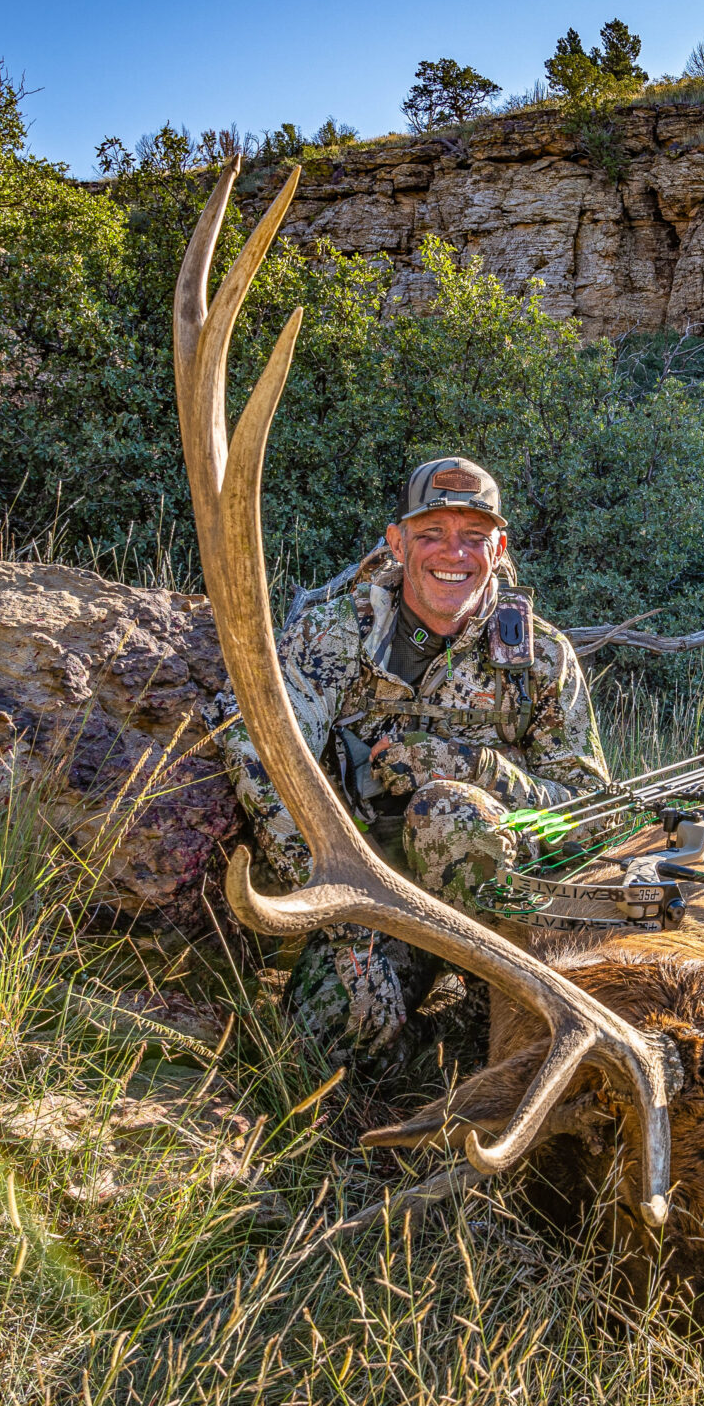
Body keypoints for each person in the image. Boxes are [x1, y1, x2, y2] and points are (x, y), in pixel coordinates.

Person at [216, 456, 609, 1072]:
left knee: (447, 815)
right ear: (398, 542)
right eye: (431, 534)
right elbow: (254, 742)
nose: (453, 554)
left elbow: (591, 811)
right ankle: (440, 1046)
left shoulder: (541, 659)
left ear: (498, 547)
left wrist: (476, 768)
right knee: (320, 1051)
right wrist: (338, 910)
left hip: (503, 918)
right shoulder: (334, 636)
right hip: (371, 894)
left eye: (474, 537)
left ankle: (490, 1009)